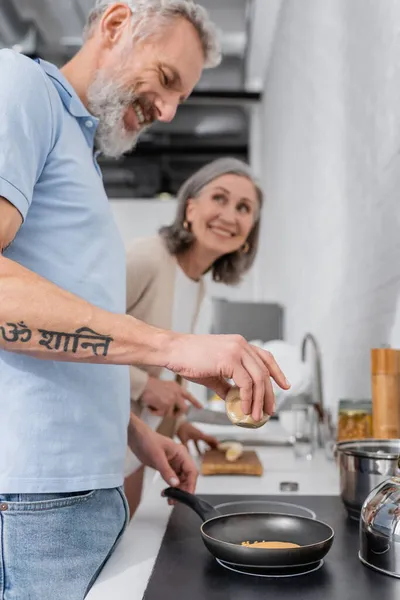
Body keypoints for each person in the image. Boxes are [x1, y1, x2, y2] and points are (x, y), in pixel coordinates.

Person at [0, 1, 289, 598]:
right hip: (36, 499)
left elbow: (57, 337)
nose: (168, 110)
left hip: (81, 490)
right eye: (166, 79)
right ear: (114, 25)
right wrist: (172, 348)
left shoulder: (80, 149)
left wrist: (132, 431)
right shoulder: (19, 85)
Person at [124, 157, 264, 515]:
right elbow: (75, 340)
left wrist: (180, 424)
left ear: (249, 232)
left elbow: (163, 358)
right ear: (190, 207)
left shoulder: (195, 282)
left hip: (137, 445)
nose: (230, 215)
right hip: (105, 441)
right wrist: (144, 386)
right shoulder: (146, 258)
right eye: (219, 198)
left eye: (244, 208)